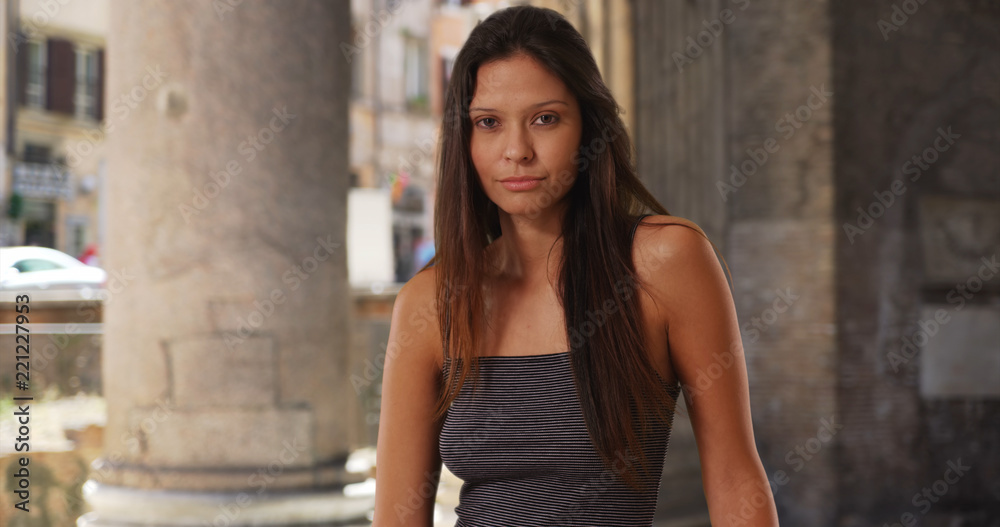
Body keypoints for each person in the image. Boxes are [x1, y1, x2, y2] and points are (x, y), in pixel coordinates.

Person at [373, 5, 778, 526]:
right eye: (489, 123)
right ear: (464, 140)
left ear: (589, 127)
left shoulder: (665, 262)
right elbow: (397, 517)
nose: (517, 150)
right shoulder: (429, 303)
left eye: (545, 119)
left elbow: (734, 478)